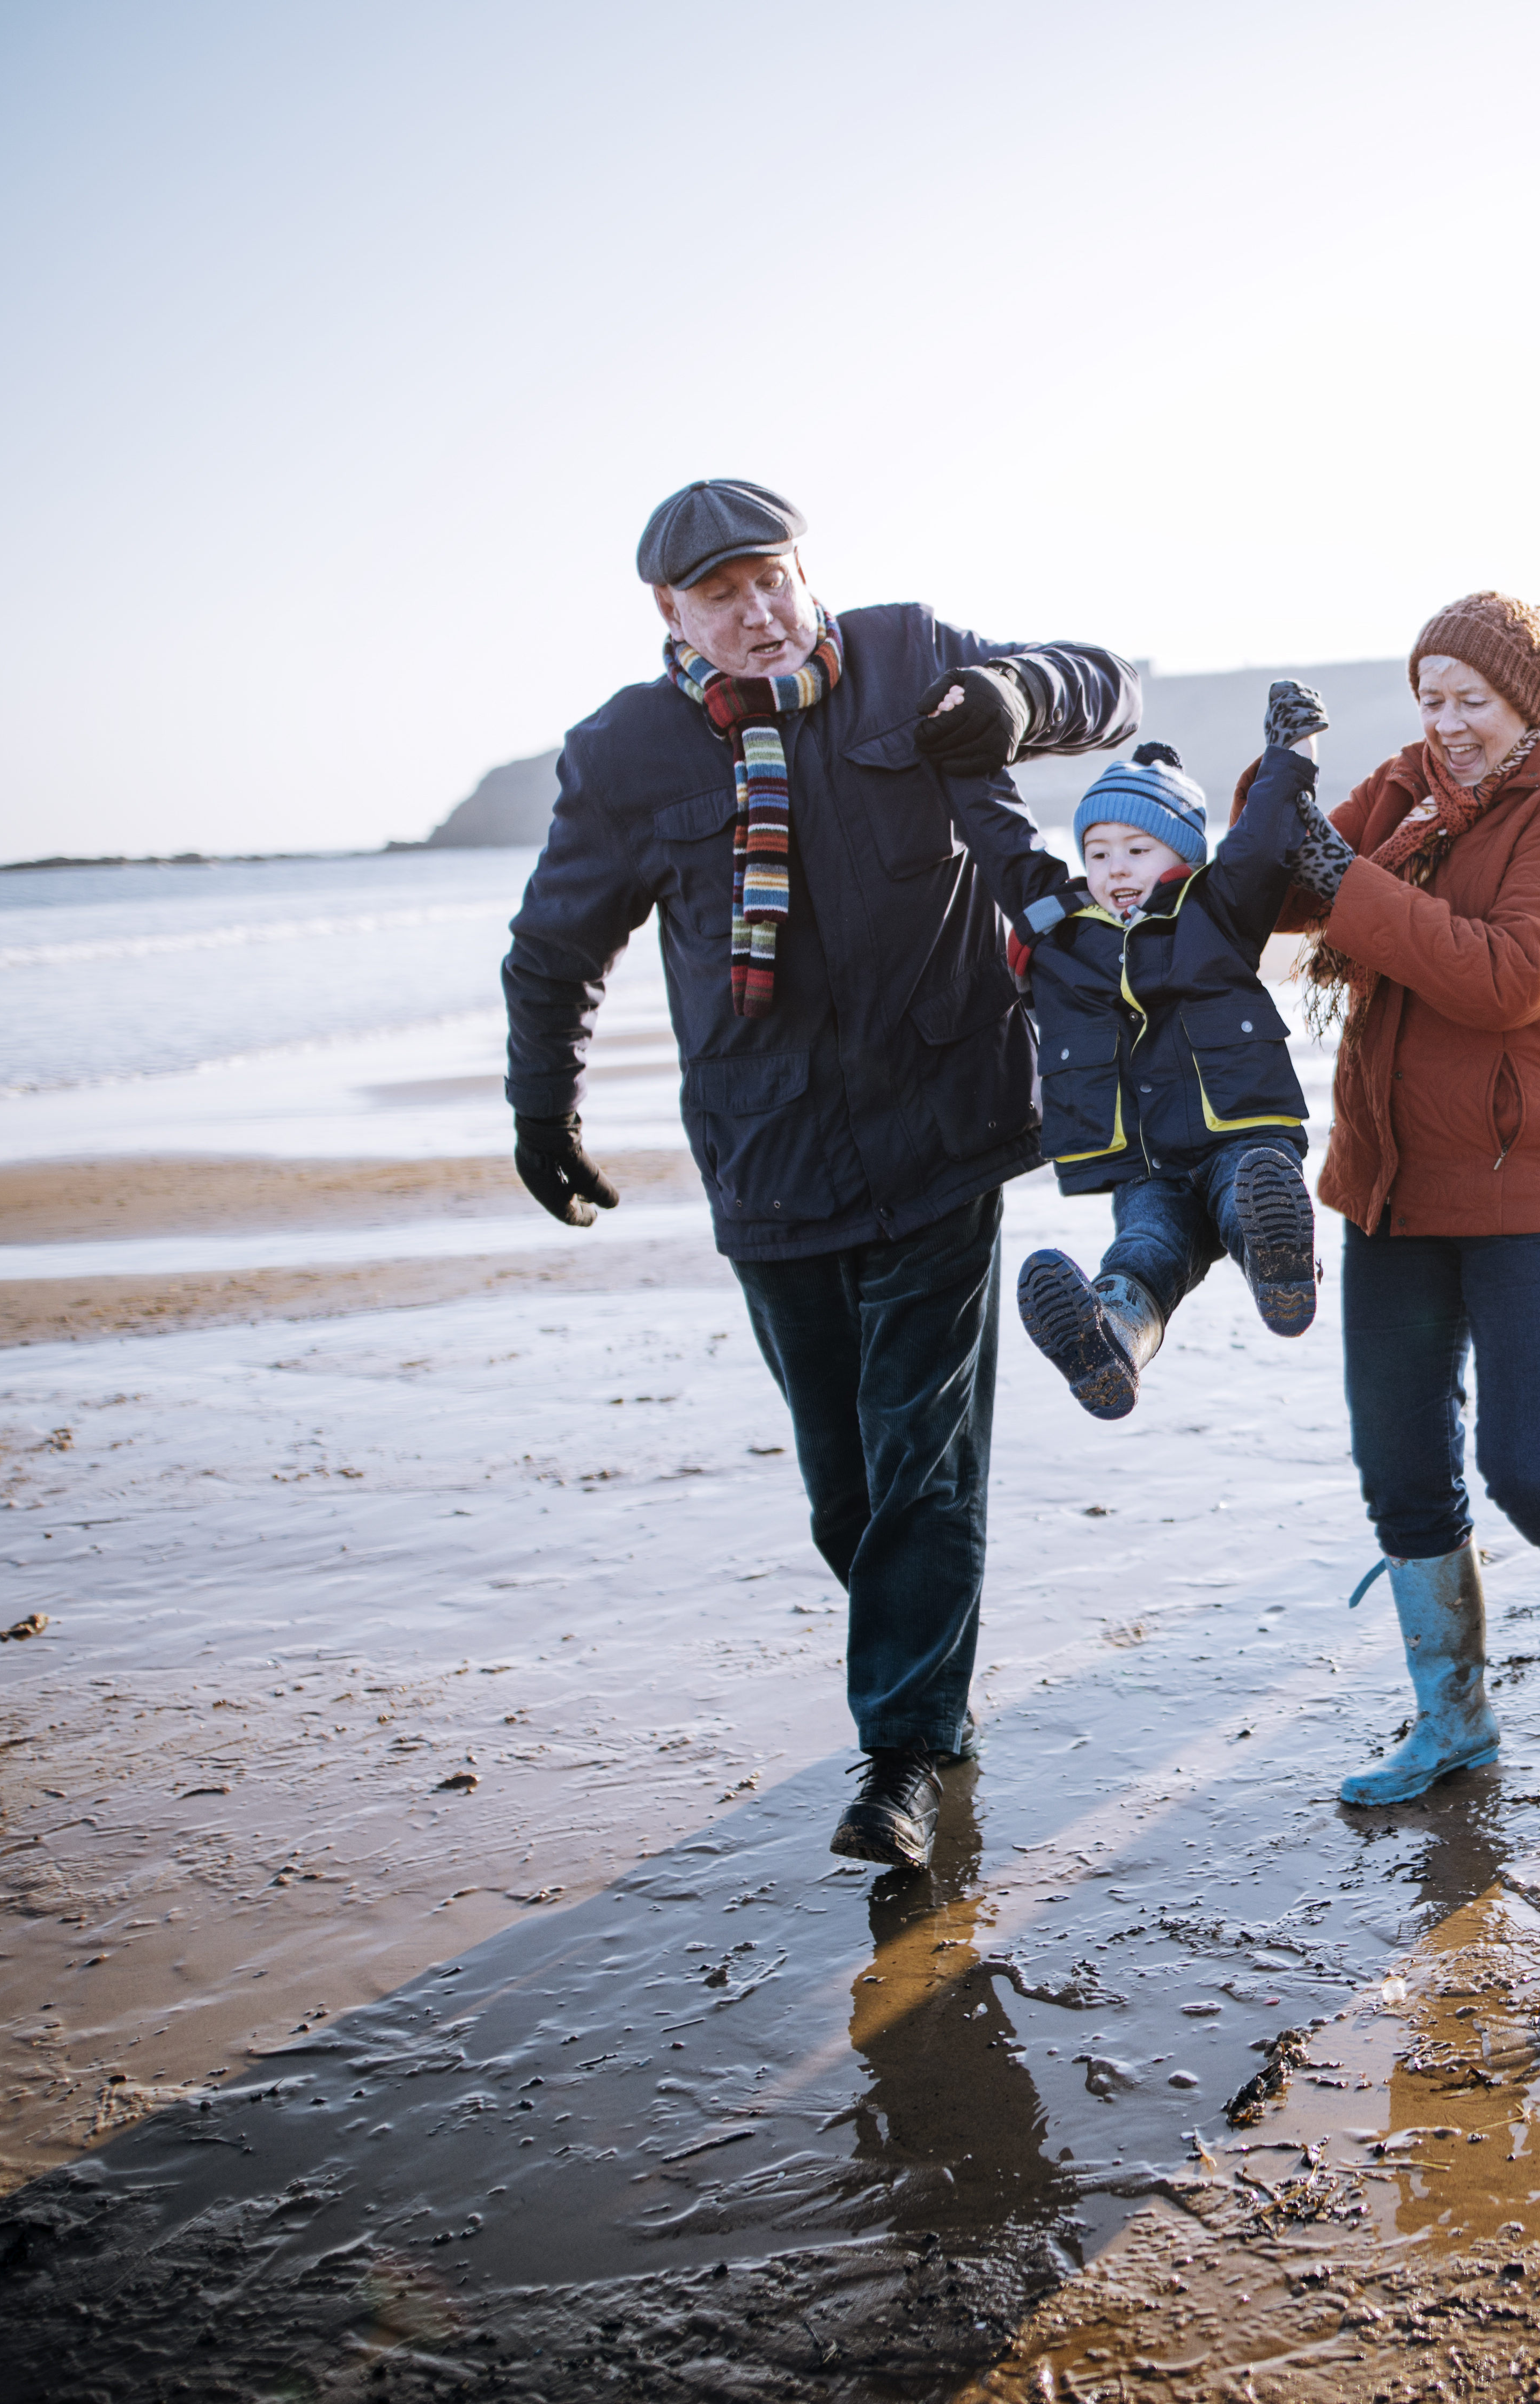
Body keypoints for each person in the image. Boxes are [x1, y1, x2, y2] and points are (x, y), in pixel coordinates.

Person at [502, 478, 1139, 1873]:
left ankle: (902, 1758)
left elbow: (1111, 688)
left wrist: (1015, 700)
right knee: (847, 1493)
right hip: (768, 1158)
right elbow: (555, 950)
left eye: (772, 580)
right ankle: (928, 1685)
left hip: (944, 1130)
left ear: (806, 573)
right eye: (721, 595)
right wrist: (541, 1109)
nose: (758, 613)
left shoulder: (911, 659)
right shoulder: (625, 756)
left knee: (922, 1459)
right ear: (669, 613)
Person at [1272, 592, 1540, 1805]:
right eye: (1429, 699)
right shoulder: (1406, 787)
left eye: (1470, 701)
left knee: (1534, 1465)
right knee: (1401, 1468)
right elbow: (1278, 883)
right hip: (1392, 1178)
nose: (1448, 723)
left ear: (1527, 702)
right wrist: (1280, 785)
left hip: (1535, 1174)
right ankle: (1455, 1722)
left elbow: (1506, 979)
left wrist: (1347, 884)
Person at [953, 683, 1334, 1419]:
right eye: (1097, 852)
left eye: (1137, 848)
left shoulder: (1216, 909)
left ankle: (1280, 1262)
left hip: (1238, 1135)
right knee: (1147, 1251)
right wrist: (961, 754)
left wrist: (1294, 749)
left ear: (1182, 853)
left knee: (1244, 1197)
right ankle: (1111, 1342)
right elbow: (1000, 839)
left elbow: (1262, 838)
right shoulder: (1059, 929)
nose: (1115, 868)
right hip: (1145, 1161)